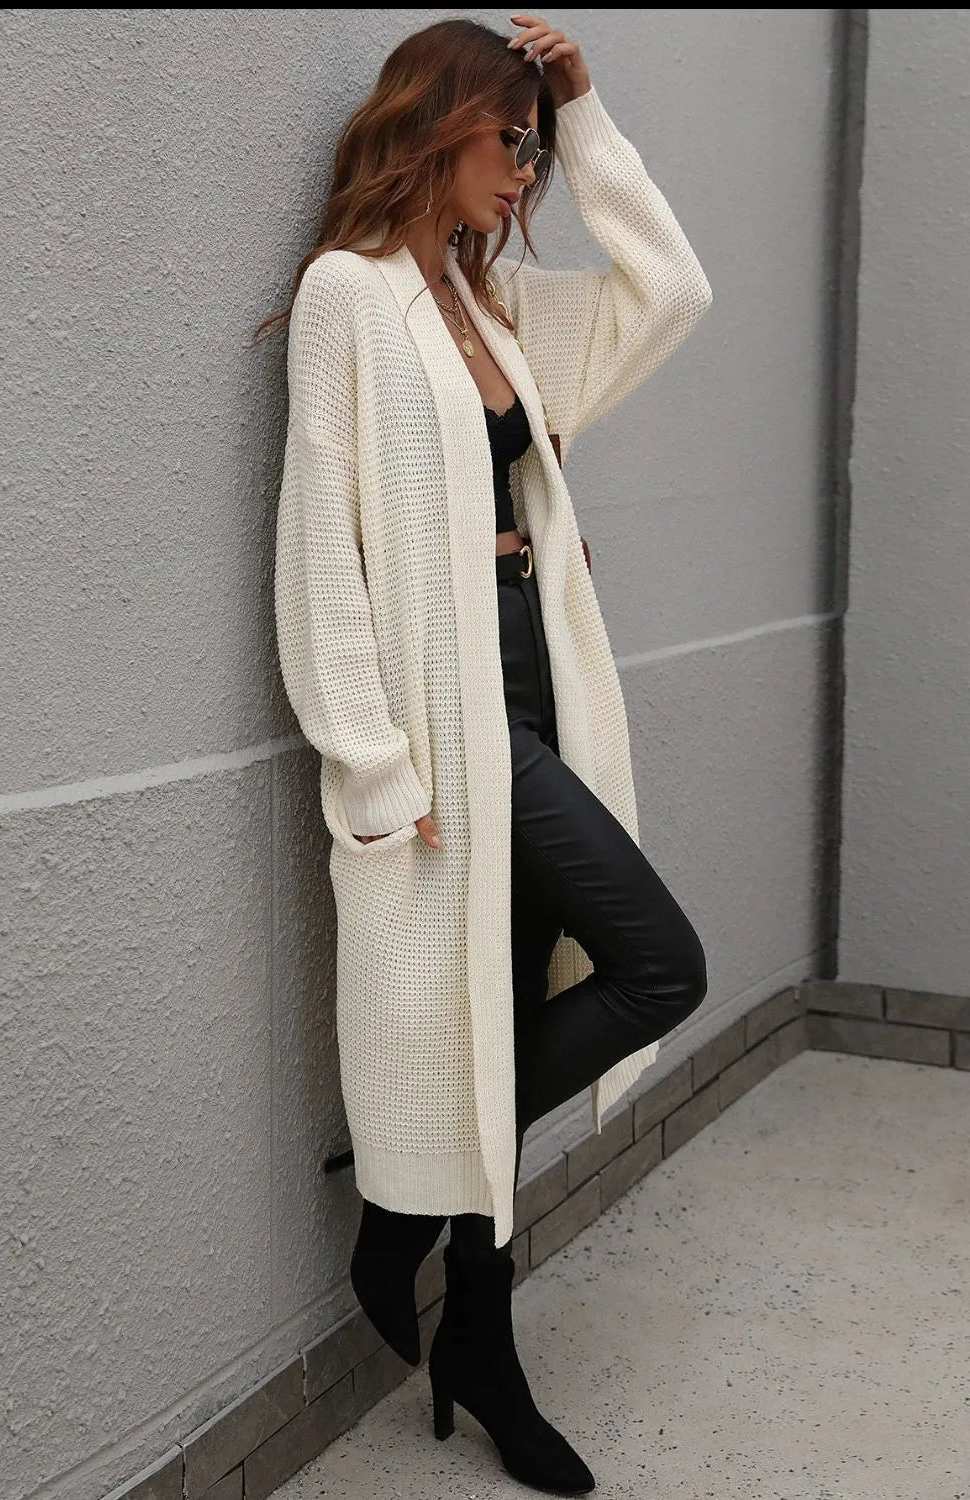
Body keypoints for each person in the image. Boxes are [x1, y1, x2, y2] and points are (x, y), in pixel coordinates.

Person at [268, 14, 712, 1493]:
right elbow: (321, 547)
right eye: (511, 138)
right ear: (436, 122)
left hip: (535, 697)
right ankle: (412, 1223)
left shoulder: (491, 303)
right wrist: (372, 765)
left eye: (536, 144)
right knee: (662, 964)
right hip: (447, 733)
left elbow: (671, 289)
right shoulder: (348, 295)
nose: (526, 170)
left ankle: (473, 1327)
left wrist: (587, 111)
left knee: (518, 1002)